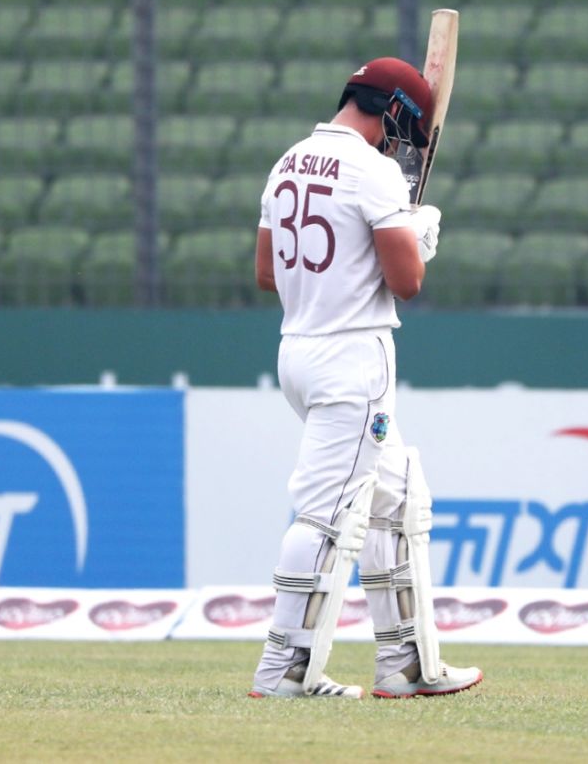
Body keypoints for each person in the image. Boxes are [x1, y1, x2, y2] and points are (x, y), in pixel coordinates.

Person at [249, 57, 483, 700]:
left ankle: (406, 664)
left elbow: (268, 273)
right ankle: (284, 670)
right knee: (328, 514)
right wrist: (415, 237)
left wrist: (376, 246)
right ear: (394, 111)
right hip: (354, 358)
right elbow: (406, 284)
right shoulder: (374, 171)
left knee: (400, 499)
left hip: (297, 350)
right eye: (405, 127)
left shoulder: (288, 160)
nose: (404, 144)